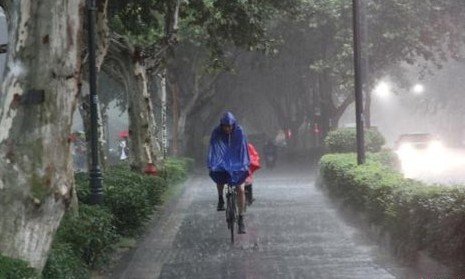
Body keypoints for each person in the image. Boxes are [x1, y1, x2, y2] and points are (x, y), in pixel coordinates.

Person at [208, 111, 250, 234]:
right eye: (226, 126)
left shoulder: (239, 132)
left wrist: (243, 164)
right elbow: (214, 149)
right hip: (222, 162)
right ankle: (221, 198)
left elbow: (243, 150)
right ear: (222, 125)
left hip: (237, 163)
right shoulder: (216, 133)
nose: (228, 129)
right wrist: (214, 163)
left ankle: (241, 219)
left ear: (234, 125)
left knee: (241, 190)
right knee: (218, 174)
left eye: (230, 126)